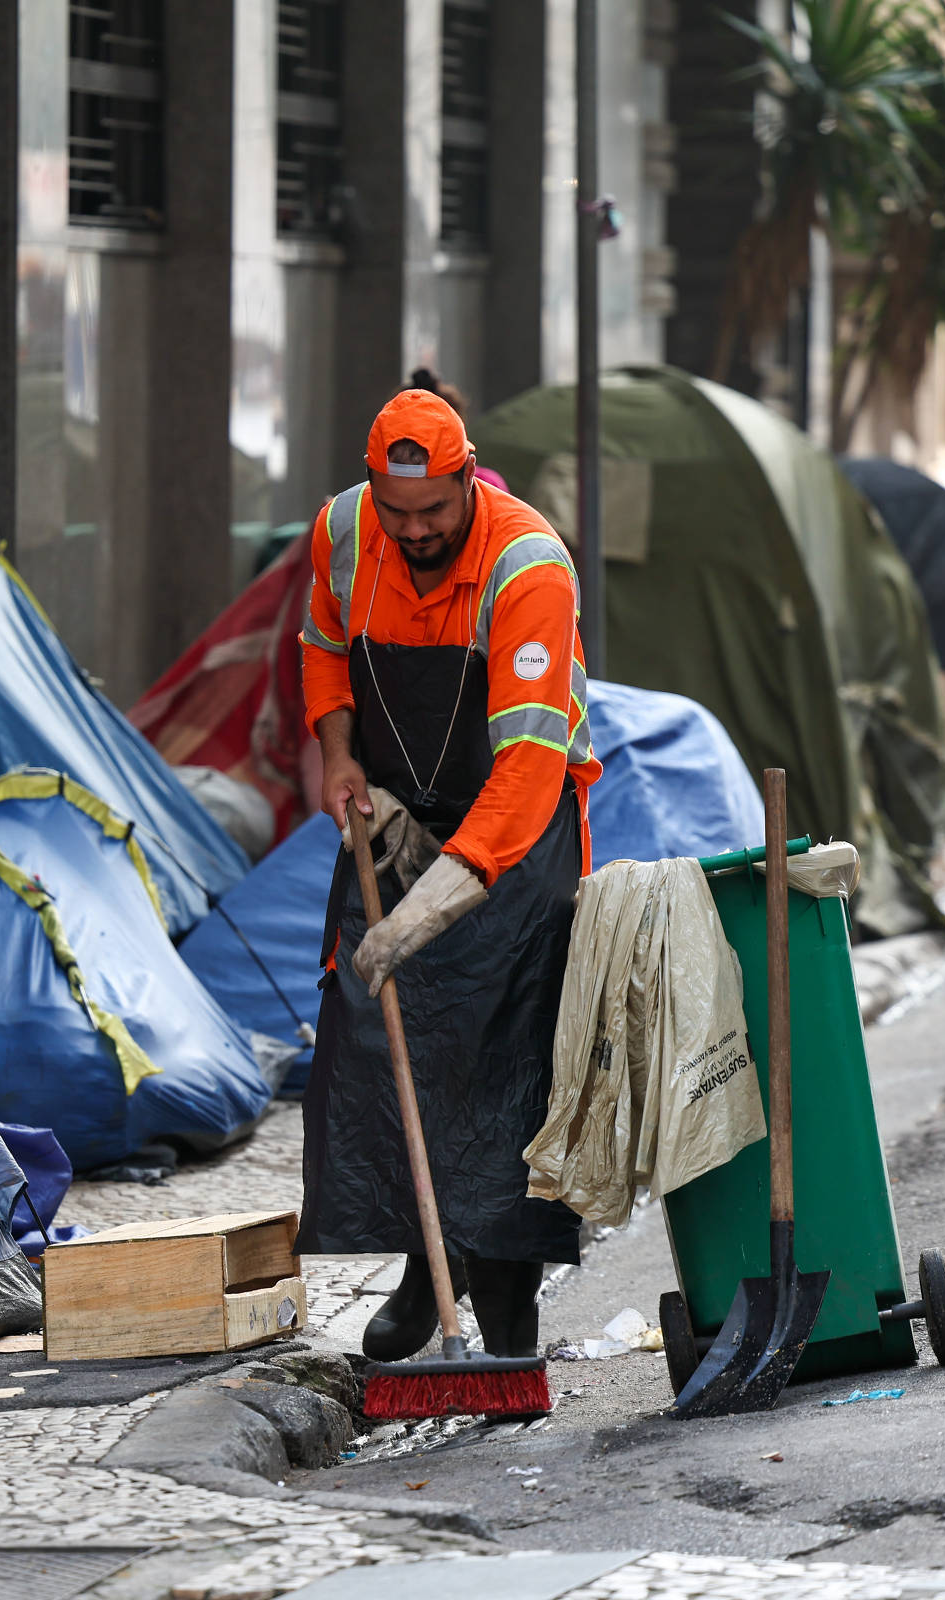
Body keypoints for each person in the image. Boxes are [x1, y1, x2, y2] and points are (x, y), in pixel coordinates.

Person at [295, 388, 601, 1361]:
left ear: (471, 478)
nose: (416, 531)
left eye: (436, 512)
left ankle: (508, 1293)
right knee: (379, 1045)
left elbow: (523, 772)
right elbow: (324, 650)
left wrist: (432, 906)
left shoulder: (528, 567)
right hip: (395, 817)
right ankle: (428, 1272)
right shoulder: (343, 531)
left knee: (502, 1052)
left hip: (516, 834)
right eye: (400, 513)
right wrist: (340, 759)